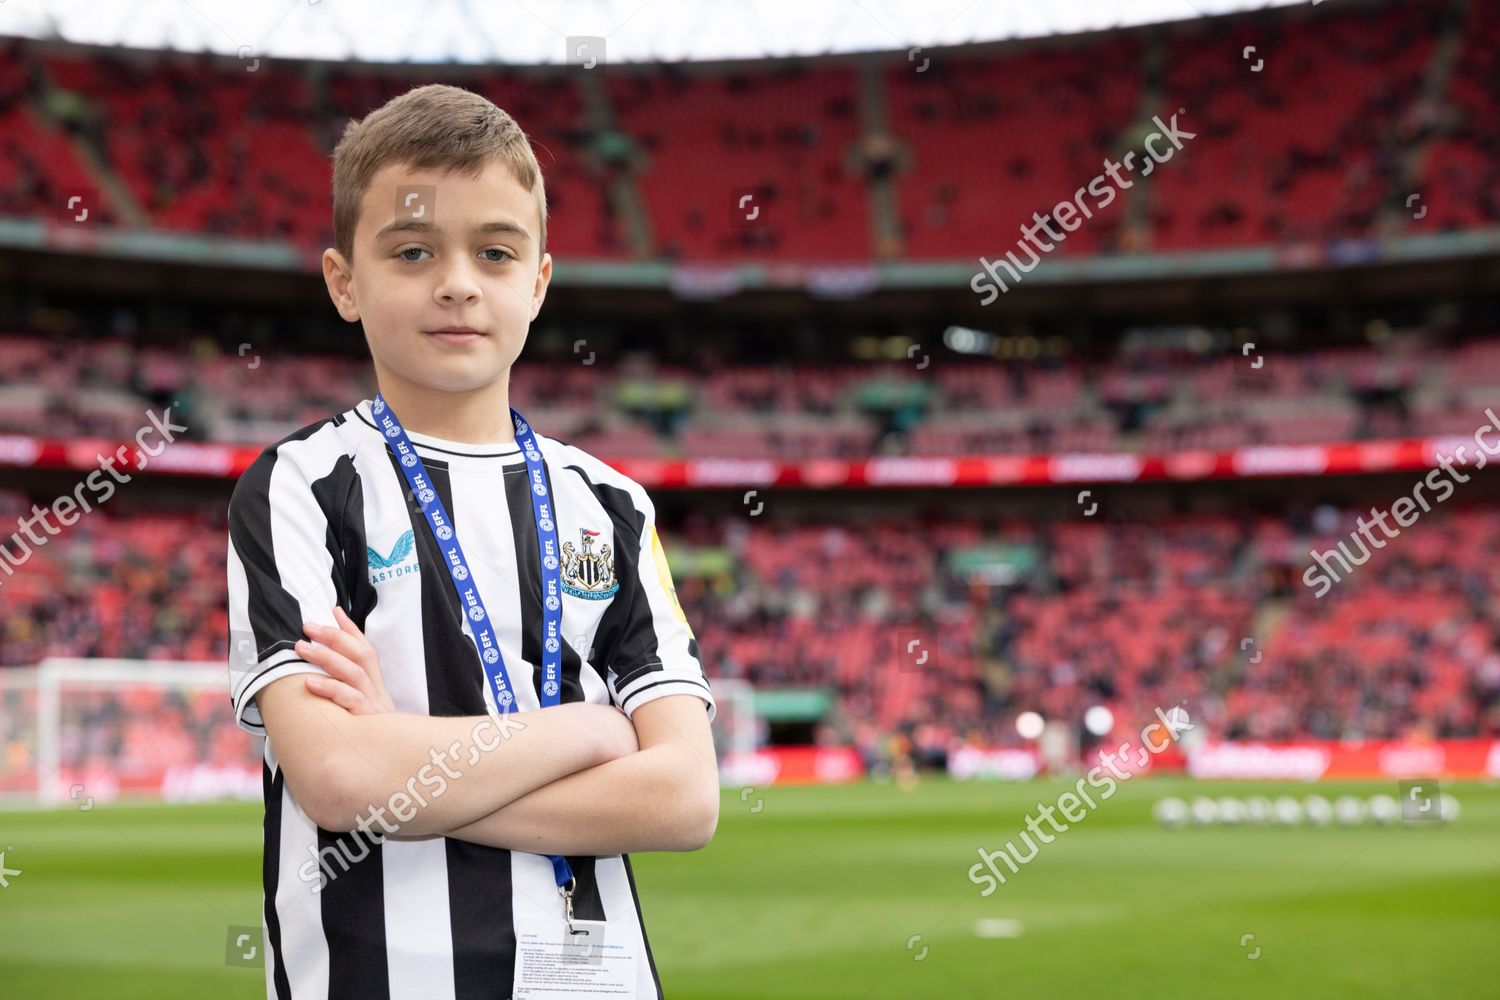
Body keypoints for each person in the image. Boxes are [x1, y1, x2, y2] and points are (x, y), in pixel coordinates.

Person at [225, 83, 718, 1000]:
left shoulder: (610, 504)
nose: (456, 281)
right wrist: (593, 730)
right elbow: (337, 779)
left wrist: (403, 772)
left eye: (494, 251)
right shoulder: (303, 483)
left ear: (536, 282)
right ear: (344, 282)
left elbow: (685, 799)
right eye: (412, 251)